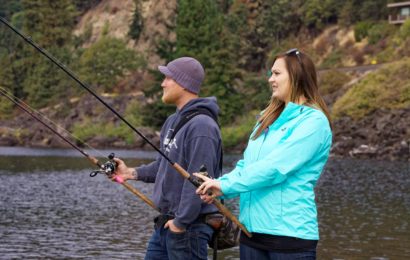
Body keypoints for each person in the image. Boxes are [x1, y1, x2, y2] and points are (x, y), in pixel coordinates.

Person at [195, 48, 332, 260]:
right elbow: (247, 166)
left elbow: (275, 168)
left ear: (296, 75)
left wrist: (225, 186)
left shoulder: (314, 122)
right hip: (252, 233)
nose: (270, 79)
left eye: (277, 74)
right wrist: (219, 186)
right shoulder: (266, 119)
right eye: (271, 73)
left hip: (289, 238)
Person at [112, 57, 222, 260]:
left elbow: (199, 179)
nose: (162, 83)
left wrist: (181, 223)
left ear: (183, 82)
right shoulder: (172, 120)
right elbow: (164, 166)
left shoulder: (202, 126)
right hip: (165, 224)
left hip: (189, 228)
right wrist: (129, 173)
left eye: (168, 78)